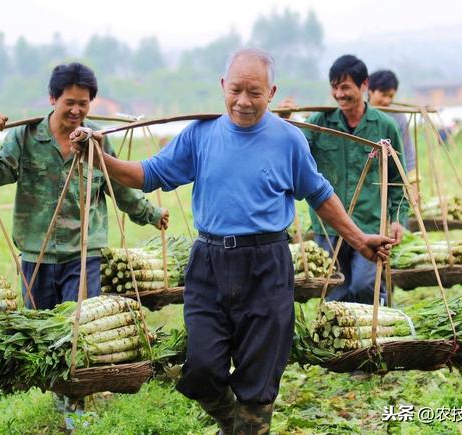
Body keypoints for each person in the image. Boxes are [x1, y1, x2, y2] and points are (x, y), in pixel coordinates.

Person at [70, 48, 393, 435]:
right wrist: (98, 158)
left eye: (254, 92)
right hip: (210, 262)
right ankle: (235, 423)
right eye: (236, 90)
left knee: (259, 375)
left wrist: (359, 240)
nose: (243, 101)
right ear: (223, 86)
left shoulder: (289, 140)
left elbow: (320, 195)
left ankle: (249, 425)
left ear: (271, 92)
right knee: (203, 367)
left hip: (268, 263)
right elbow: (149, 174)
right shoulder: (200, 135)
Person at [0, 62, 168, 429]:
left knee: (79, 333)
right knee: (44, 333)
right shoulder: (26, 136)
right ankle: (60, 393)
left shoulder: (96, 141)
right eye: (69, 103)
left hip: (83, 253)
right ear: (53, 99)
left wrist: (150, 213)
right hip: (37, 253)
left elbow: (119, 188)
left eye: (84, 103)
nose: (76, 110)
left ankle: (77, 404)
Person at [280, 55, 408, 305]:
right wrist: (285, 120)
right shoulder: (320, 123)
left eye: (345, 87)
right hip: (329, 226)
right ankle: (345, 343)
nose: (339, 94)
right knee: (334, 291)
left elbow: (397, 178)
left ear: (363, 86)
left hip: (370, 223)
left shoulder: (385, 126)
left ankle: (376, 338)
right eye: (335, 87)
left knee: (365, 286)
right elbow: (291, 153)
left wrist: (397, 218)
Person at [368, 69, 418, 201]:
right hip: (365, 180)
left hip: (392, 180)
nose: (386, 100)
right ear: (370, 91)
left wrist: (413, 186)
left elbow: (408, 153)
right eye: (383, 95)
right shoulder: (359, 115)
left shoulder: (398, 117)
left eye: (390, 96)